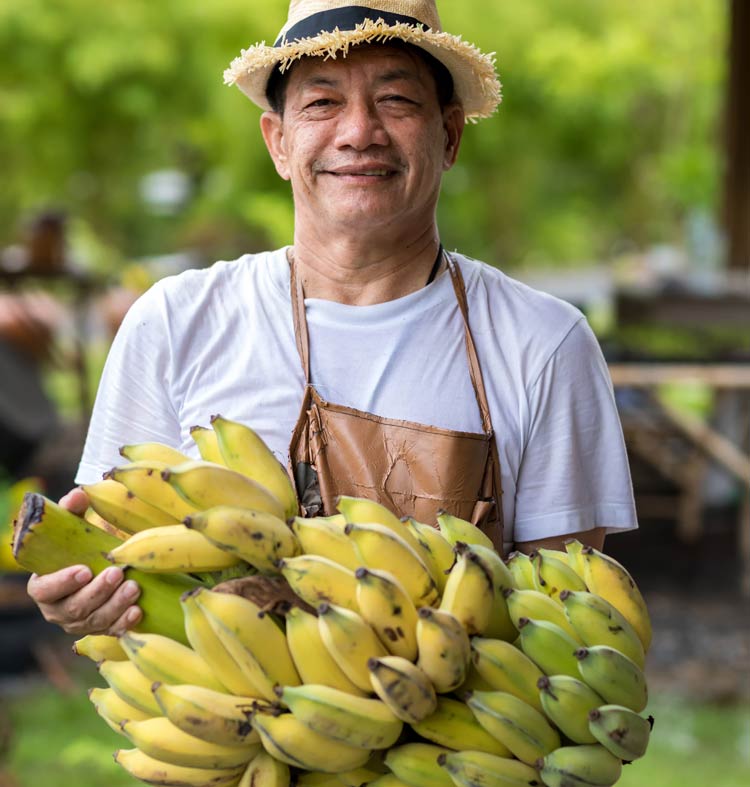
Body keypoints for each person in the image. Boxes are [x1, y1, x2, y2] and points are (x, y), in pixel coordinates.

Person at [27, 0, 638, 637]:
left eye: (396, 100)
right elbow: (116, 561)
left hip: (458, 733)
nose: (359, 132)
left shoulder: (542, 343)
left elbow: (566, 624)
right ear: (278, 142)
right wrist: (81, 598)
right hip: (233, 725)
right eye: (322, 103)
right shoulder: (177, 322)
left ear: (450, 135)